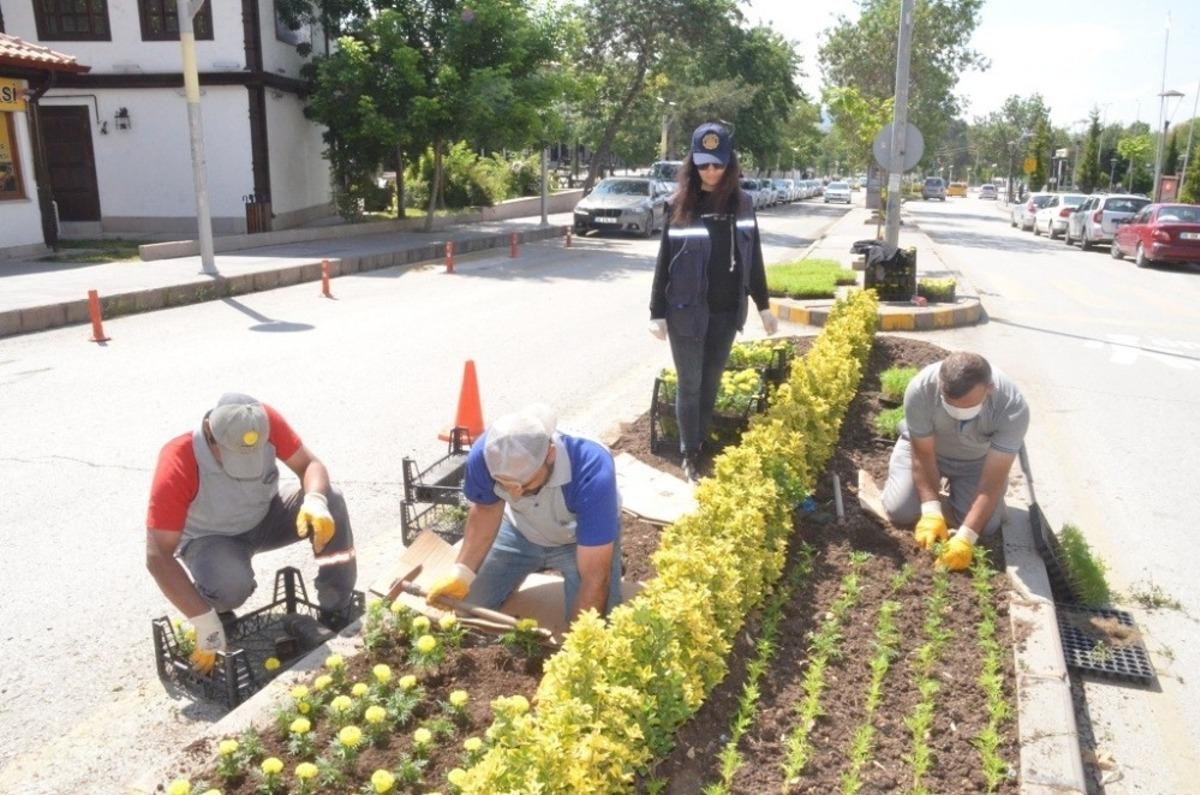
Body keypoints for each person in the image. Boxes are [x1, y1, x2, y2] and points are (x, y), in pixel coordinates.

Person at [145, 393, 356, 673]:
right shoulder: (179, 458)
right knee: (229, 586)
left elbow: (309, 465)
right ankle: (216, 610)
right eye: (235, 457)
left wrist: (315, 500)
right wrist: (205, 623)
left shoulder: (260, 420)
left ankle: (335, 604)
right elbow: (157, 555)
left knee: (333, 500)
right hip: (213, 538)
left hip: (267, 515)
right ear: (211, 436)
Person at [648, 121, 776, 483]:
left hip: (724, 313)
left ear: (729, 164)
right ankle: (689, 452)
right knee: (690, 384)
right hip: (685, 314)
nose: (711, 171)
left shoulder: (743, 204)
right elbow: (663, 262)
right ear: (693, 164)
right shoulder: (678, 205)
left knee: (711, 383)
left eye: (717, 164)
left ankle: (699, 442)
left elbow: (754, 259)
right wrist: (656, 312)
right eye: (704, 164)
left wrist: (763, 305)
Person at [426, 404, 622, 623]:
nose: (515, 494)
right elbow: (486, 510)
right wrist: (462, 574)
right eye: (505, 485)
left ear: (550, 455)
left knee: (594, 622)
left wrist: (578, 646)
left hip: (579, 540)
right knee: (466, 609)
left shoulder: (591, 468)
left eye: (525, 484)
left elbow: (594, 577)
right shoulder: (487, 454)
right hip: (520, 531)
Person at [881, 352, 1030, 571]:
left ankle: (976, 502)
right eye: (951, 404)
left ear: (990, 389)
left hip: (976, 462)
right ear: (940, 385)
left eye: (968, 405)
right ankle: (934, 499)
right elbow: (923, 454)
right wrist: (931, 511)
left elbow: (993, 477)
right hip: (929, 451)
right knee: (899, 511)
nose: (959, 412)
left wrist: (966, 538)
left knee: (986, 527)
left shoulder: (1012, 407)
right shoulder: (922, 388)